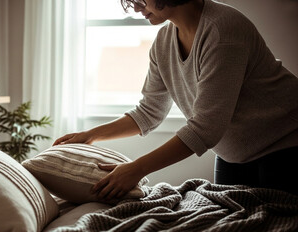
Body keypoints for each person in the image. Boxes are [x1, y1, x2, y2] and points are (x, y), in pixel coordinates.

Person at [53, 0, 298, 199]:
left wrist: (136, 169)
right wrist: (91, 135)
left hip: (284, 146)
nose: (136, 8)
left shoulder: (223, 30)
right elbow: (149, 112)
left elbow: (205, 128)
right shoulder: (163, 43)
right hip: (233, 154)